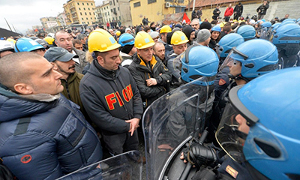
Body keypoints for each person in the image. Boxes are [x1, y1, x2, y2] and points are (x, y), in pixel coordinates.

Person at [182, 67, 300, 180]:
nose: (238, 118)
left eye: (248, 119)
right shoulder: (257, 158)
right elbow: (239, 158)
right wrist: (214, 156)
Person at [0, 52, 102, 179]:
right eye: (47, 74)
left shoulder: (48, 95)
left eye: (53, 69)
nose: (58, 75)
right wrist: (93, 174)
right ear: (23, 88)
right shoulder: (20, 138)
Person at [80, 29, 143, 156]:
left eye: (118, 56)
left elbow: (135, 94)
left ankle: (135, 159)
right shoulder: (87, 84)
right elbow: (99, 117)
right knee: (119, 157)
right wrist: (127, 125)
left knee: (133, 149)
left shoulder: (124, 72)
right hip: (113, 135)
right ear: (100, 59)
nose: (119, 61)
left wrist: (137, 117)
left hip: (132, 126)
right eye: (113, 58)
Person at [208, 39, 278, 145]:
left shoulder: (254, 103)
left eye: (235, 62)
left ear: (249, 67)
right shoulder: (234, 84)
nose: (230, 64)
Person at [128, 31, 172, 109]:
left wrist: (157, 80)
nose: (150, 53)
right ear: (138, 51)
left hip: (164, 103)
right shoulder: (133, 68)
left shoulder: (155, 59)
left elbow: (168, 75)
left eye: (151, 49)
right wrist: (162, 87)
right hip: (150, 108)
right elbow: (144, 91)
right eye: (146, 50)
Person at [44, 47, 87, 119]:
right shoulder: (47, 88)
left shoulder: (83, 80)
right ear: (53, 65)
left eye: (72, 59)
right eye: (66, 60)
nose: (73, 62)